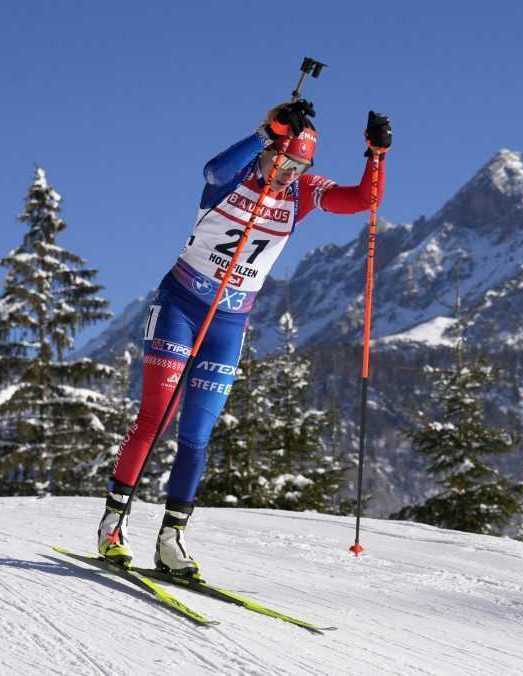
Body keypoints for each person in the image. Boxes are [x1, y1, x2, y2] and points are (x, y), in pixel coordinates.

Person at [96, 101, 391, 576]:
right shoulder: (235, 178)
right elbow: (213, 169)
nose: (287, 174)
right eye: (282, 161)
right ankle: (113, 524)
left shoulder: (301, 193)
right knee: (156, 417)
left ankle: (172, 538)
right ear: (269, 152)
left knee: (197, 435)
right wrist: (266, 131)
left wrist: (375, 155)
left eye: (298, 167)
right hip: (181, 306)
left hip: (230, 322)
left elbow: (362, 201)